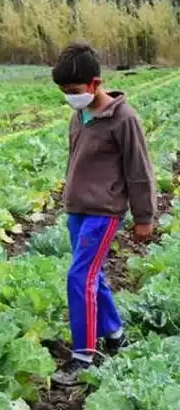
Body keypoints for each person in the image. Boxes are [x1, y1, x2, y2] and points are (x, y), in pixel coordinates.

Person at [50, 42, 156, 386]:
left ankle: (84, 355)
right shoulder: (78, 115)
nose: (70, 97)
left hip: (104, 212)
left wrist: (144, 216)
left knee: (79, 277)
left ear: (96, 83)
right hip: (78, 209)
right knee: (95, 277)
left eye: (75, 91)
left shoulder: (124, 119)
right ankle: (115, 335)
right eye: (65, 92)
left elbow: (139, 170)